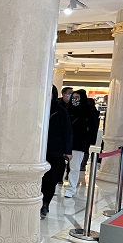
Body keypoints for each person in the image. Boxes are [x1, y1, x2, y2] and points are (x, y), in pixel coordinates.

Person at [40, 85, 72, 218]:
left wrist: (68, 150)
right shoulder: (38, 109)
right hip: (39, 150)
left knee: (51, 179)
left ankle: (45, 203)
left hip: (55, 151)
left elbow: (67, 132)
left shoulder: (60, 111)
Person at [65, 89, 92, 198]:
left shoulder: (87, 113)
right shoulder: (67, 111)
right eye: (73, 98)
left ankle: (71, 189)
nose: (74, 100)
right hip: (64, 143)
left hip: (78, 145)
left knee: (74, 168)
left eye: (77, 98)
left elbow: (90, 130)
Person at [81, 97, 101, 170]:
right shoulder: (94, 111)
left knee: (84, 149)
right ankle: (83, 164)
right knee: (86, 149)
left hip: (85, 134)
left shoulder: (88, 111)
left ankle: (82, 164)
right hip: (91, 134)